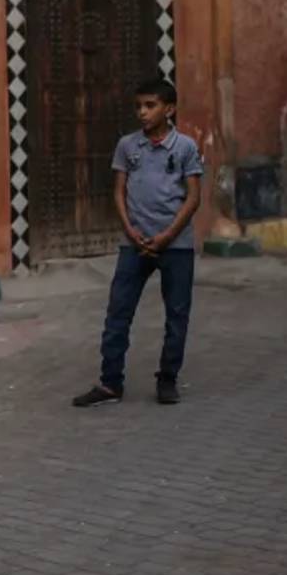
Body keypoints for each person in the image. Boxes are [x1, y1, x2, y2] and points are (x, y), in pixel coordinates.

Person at [72, 78, 205, 409]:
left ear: (169, 109)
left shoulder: (185, 147)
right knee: (118, 312)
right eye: (138, 106)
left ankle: (168, 379)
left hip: (175, 246)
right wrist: (131, 231)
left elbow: (193, 197)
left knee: (177, 315)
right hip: (134, 244)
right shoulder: (128, 146)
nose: (142, 112)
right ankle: (110, 382)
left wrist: (167, 236)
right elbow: (119, 189)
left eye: (150, 105)